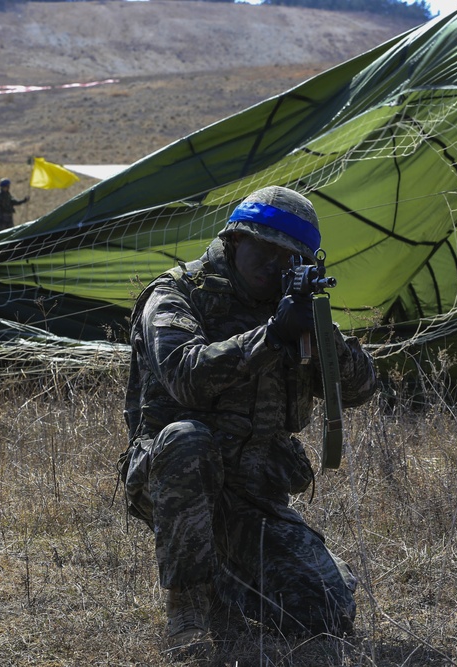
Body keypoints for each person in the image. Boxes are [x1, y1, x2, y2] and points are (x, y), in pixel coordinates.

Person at [118, 186, 378, 660]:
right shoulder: (177, 294)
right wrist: (271, 336)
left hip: (253, 492)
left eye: (288, 257)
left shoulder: (290, 304)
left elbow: (361, 389)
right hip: (174, 480)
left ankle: (220, 578)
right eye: (264, 248)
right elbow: (185, 376)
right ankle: (187, 608)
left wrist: (322, 336)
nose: (274, 265)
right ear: (236, 240)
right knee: (186, 438)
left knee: (326, 609)